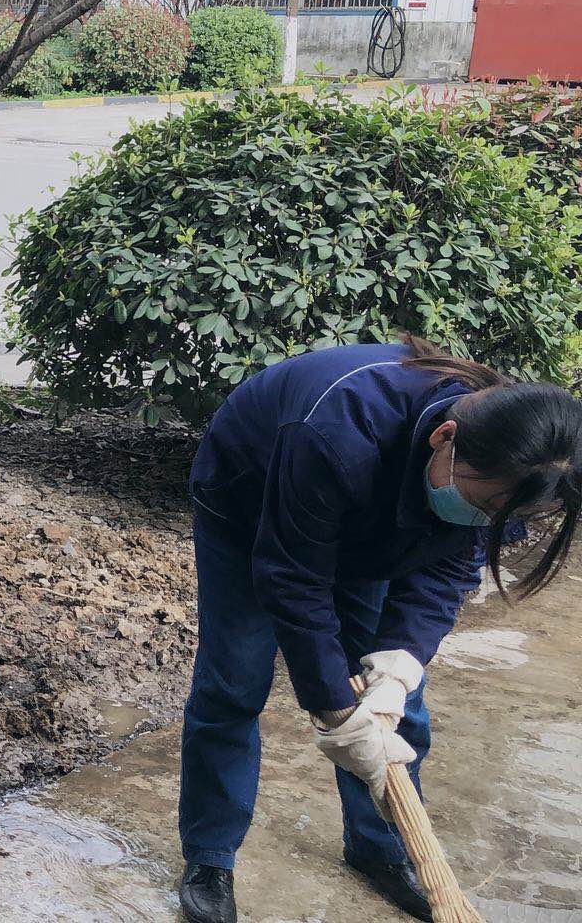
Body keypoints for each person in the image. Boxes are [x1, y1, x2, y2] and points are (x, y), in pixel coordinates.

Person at [177, 337, 579, 922]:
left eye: (504, 517)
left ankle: (381, 848)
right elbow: (293, 580)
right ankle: (210, 857)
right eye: (486, 505)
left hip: (373, 516)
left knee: (396, 705)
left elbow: (448, 569)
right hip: (250, 500)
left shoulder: (505, 470)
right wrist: (336, 711)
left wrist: (399, 664)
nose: (489, 523)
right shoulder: (339, 429)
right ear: (445, 438)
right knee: (234, 683)